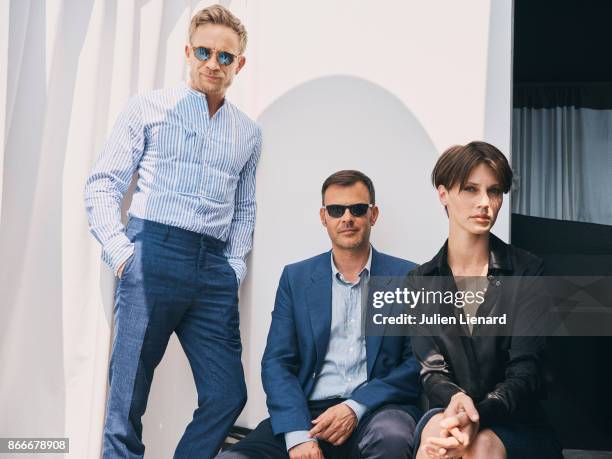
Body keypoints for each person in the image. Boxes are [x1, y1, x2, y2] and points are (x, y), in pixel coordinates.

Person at [84, 5, 262, 458]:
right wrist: (124, 254)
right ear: (188, 51)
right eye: (204, 51)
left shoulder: (248, 133)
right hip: (153, 254)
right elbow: (103, 184)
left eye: (225, 57)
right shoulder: (148, 108)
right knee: (127, 399)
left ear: (239, 64)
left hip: (213, 270)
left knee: (227, 393)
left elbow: (244, 208)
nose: (213, 63)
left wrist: (233, 268)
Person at [218, 170, 421, 459]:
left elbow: (416, 364)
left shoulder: (409, 277)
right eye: (337, 210)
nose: (347, 218)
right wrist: (298, 435)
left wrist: (355, 406)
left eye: (358, 209)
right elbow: (277, 363)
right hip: (308, 414)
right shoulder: (296, 278)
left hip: (376, 411)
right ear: (323, 217)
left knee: (392, 436)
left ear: (373, 215)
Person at [409, 142, 562, 459]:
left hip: (517, 421)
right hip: (448, 411)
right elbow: (432, 373)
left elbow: (525, 373)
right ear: (443, 194)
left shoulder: (527, 271)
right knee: (434, 443)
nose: (485, 203)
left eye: (494, 191)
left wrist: (477, 416)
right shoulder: (420, 281)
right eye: (470, 189)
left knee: (479, 448)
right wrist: (459, 408)